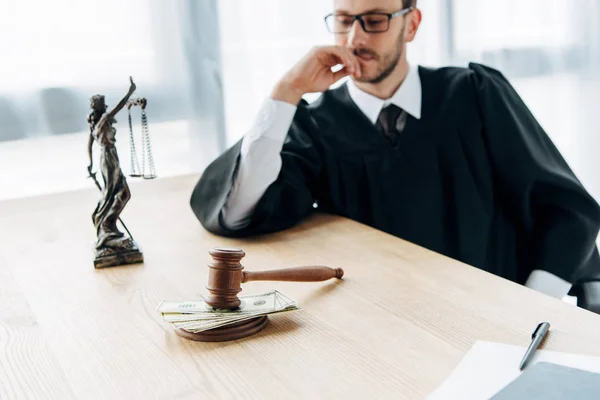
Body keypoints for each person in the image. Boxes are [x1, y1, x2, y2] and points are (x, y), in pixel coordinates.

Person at [190, 0, 600, 300]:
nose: (355, 39)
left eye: (374, 21)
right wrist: (287, 93)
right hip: (384, 322)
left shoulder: (473, 95)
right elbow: (239, 212)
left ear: (412, 24)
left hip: (491, 311)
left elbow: (567, 209)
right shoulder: (316, 125)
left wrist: (529, 310)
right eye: (345, 21)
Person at [87, 77, 137, 249]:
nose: (105, 106)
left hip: (108, 157)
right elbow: (119, 107)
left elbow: (89, 143)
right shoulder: (101, 121)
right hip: (108, 159)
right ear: (100, 107)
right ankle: (107, 225)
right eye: (103, 104)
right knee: (117, 193)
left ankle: (108, 223)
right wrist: (130, 92)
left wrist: (90, 163)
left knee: (121, 193)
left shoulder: (95, 124)